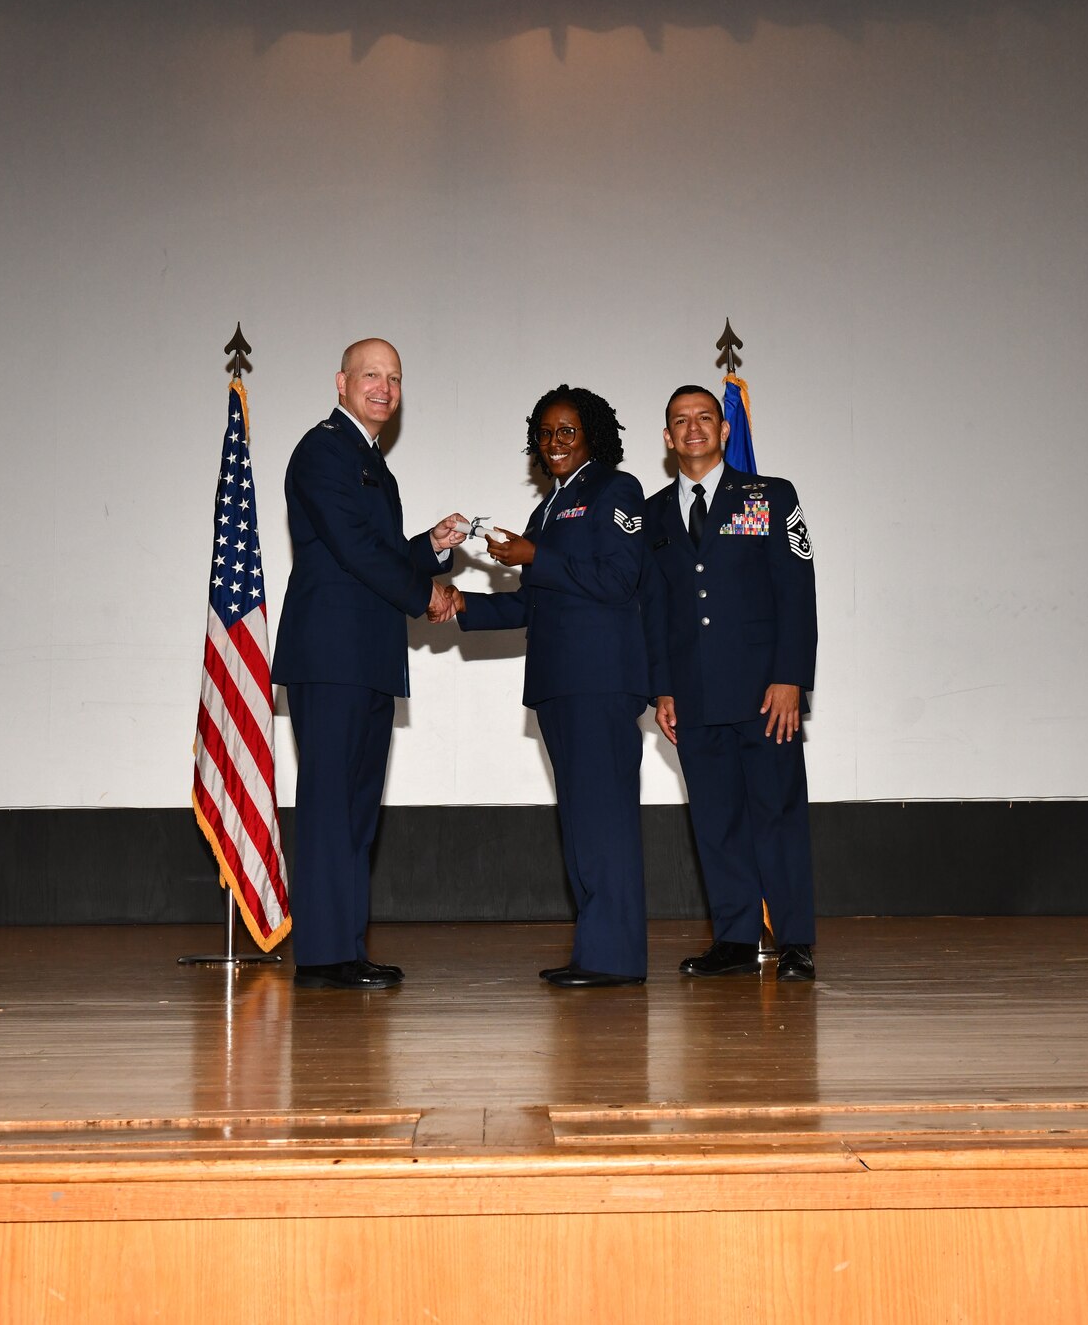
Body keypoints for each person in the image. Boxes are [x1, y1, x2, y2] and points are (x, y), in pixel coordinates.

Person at [271, 338, 468, 990]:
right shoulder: (323, 449)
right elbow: (354, 550)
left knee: (356, 809)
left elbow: (372, 552)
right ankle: (326, 956)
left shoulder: (370, 461)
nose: (384, 387)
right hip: (332, 655)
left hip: (365, 656)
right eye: (371, 375)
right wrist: (426, 591)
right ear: (342, 381)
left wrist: (430, 550)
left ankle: (344, 947)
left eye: (395, 378)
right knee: (332, 805)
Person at [442, 385, 652, 987]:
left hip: (601, 681)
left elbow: (619, 579)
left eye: (568, 431)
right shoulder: (548, 509)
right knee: (583, 821)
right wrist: (462, 605)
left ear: (591, 435)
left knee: (605, 819)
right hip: (559, 685)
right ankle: (597, 951)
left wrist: (536, 554)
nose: (555, 442)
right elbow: (531, 607)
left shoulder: (618, 490)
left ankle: (615, 958)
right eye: (545, 432)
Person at [641, 384, 819, 981]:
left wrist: (790, 677)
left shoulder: (770, 496)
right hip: (693, 695)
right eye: (680, 421)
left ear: (723, 429)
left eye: (704, 418)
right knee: (715, 821)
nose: (693, 428)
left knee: (777, 813)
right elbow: (658, 609)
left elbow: (796, 591)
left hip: (765, 695)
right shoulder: (653, 514)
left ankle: (793, 941)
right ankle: (736, 941)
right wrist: (662, 689)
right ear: (667, 438)